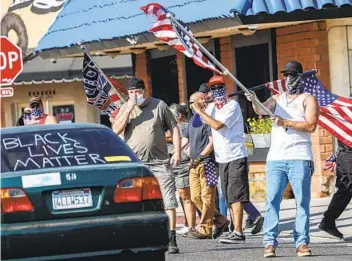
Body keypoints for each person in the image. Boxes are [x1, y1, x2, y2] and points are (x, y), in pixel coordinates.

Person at [245, 61, 319, 258]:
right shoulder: (277, 98)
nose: (289, 79)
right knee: (272, 201)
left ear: (300, 76)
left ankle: (301, 243)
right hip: (276, 158)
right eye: (286, 75)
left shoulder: (308, 99)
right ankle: (269, 243)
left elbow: (311, 125)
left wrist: (284, 121)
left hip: (299, 157)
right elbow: (261, 110)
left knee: (302, 202)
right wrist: (253, 100)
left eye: (292, 75)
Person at [112, 77, 181, 254]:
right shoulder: (125, 108)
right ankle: (139, 238)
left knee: (168, 200)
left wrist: (178, 152)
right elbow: (115, 130)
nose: (135, 95)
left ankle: (171, 238)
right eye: (132, 92)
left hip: (160, 162)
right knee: (136, 201)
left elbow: (174, 127)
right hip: (136, 164)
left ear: (144, 91)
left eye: (138, 92)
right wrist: (127, 109)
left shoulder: (159, 105)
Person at [183, 92, 229, 239]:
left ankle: (205, 229)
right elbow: (185, 140)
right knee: (196, 197)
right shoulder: (192, 120)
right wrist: (175, 152)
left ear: (202, 100)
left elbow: (212, 142)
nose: (190, 105)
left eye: (192, 102)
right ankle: (220, 220)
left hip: (208, 163)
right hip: (193, 164)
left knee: (207, 197)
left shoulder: (208, 118)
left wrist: (201, 156)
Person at [167, 103, 198, 236]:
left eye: (170, 115)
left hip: (182, 165)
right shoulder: (173, 127)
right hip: (173, 165)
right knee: (181, 197)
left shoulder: (183, 126)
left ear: (178, 116)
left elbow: (169, 136)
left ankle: (191, 226)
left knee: (186, 196)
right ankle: (187, 224)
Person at [319, 140, 352, 239]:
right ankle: (328, 220)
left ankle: (328, 220)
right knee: (345, 189)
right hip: (347, 154)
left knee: (345, 190)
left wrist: (335, 156)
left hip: (344, 154)